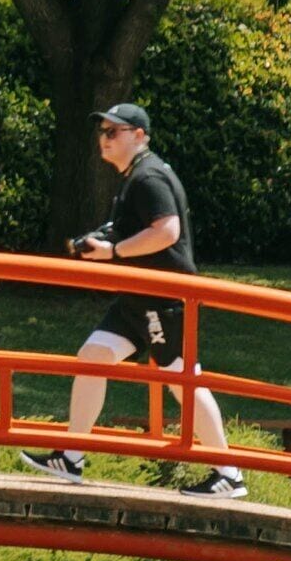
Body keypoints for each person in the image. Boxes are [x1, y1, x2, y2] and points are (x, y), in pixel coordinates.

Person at [23, 103, 245, 497]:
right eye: (102, 132)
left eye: (114, 132)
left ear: (139, 135)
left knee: (183, 377)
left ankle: (229, 473)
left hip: (162, 297)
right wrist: (108, 242)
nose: (104, 139)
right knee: (93, 355)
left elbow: (168, 232)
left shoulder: (147, 177)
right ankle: (71, 457)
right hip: (138, 296)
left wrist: (113, 252)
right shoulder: (136, 177)